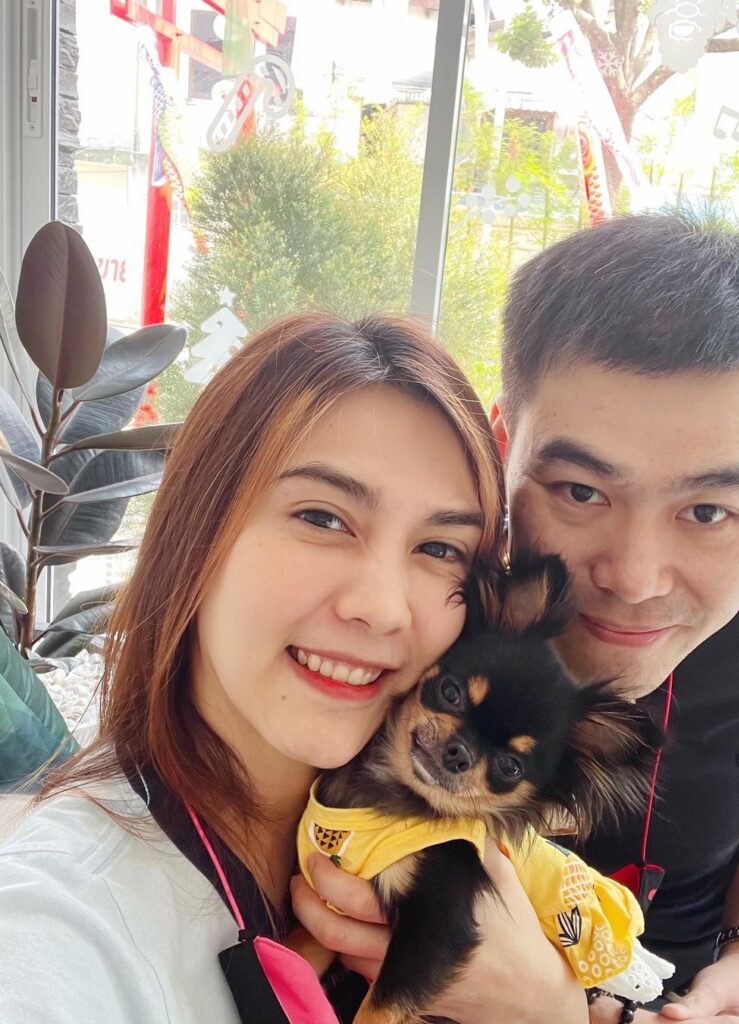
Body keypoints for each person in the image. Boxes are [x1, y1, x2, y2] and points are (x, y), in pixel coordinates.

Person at [291, 214, 739, 1024]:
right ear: (504, 443)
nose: (635, 579)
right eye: (580, 491)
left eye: (708, 509)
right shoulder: (431, 601)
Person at [0, 314, 587, 1024]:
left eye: (439, 549)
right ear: (196, 531)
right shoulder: (61, 929)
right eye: (322, 518)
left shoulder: (431, 851)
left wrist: (554, 1006)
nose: (381, 607)